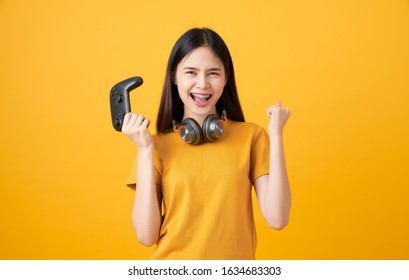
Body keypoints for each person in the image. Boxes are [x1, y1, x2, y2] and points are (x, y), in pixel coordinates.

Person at [122, 27, 291, 260]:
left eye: (213, 73)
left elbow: (277, 218)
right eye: (191, 72)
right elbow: (146, 235)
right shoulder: (154, 146)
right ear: (174, 77)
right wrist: (143, 151)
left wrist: (277, 135)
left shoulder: (252, 137)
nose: (202, 84)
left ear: (226, 77)